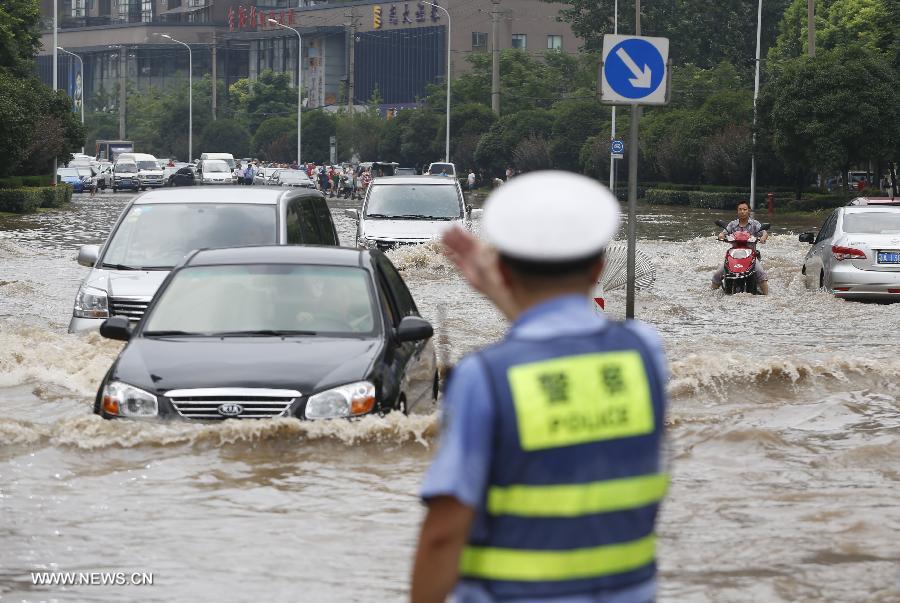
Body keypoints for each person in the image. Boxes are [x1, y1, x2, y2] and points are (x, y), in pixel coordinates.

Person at [411, 171, 669, 603]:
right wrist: (505, 290)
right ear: (600, 267)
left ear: (505, 271)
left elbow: (443, 534)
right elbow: (569, 343)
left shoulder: (486, 377)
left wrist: (498, 288)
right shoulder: (645, 352)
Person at [711, 200, 769, 295]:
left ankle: (768, 297)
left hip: (750, 256)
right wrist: (721, 235)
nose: (742, 211)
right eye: (740, 209)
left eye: (745, 209)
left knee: (761, 274)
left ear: (749, 211)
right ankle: (710, 295)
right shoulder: (733, 224)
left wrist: (763, 237)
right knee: (718, 273)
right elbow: (724, 232)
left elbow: (764, 232)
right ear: (737, 211)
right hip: (733, 256)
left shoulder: (754, 224)